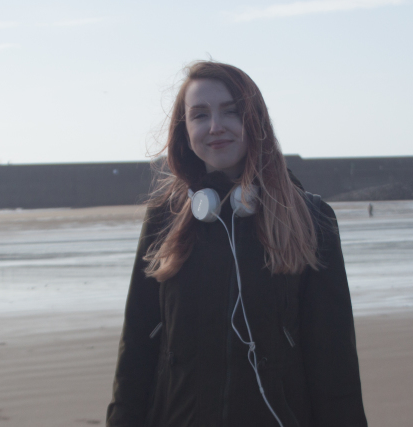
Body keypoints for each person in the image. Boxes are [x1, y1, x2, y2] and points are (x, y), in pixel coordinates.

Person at [106, 61, 367, 427]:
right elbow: (135, 350)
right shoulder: (165, 217)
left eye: (231, 111)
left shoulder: (310, 217)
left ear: (256, 120)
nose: (215, 127)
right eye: (199, 115)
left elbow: (334, 363)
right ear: (184, 131)